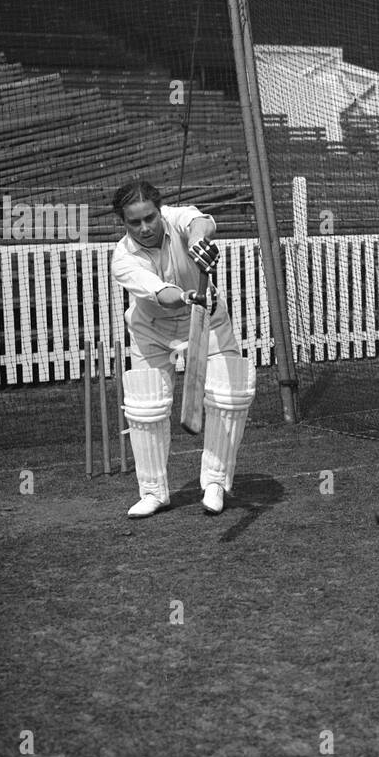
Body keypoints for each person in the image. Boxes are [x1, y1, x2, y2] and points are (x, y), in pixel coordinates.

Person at [109, 180, 254, 518]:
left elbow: (202, 222)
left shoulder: (176, 217)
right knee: (146, 406)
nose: (145, 227)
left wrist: (200, 240)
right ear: (124, 222)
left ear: (159, 211)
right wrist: (187, 297)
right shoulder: (123, 260)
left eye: (150, 217)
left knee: (229, 396)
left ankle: (216, 483)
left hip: (208, 320)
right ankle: (153, 492)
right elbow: (162, 294)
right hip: (154, 328)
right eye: (135, 222)